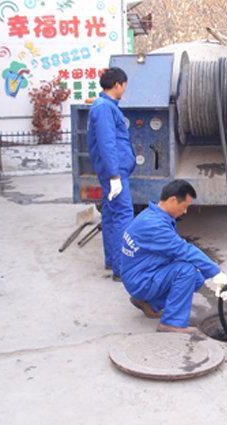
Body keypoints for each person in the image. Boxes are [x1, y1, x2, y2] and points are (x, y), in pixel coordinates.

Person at [120, 179, 227, 334]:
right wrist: (217, 274)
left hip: (137, 273)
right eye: (185, 206)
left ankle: (148, 303)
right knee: (187, 271)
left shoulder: (152, 214)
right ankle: (172, 324)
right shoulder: (155, 226)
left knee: (196, 278)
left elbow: (176, 250)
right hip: (140, 280)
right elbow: (184, 250)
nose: (185, 212)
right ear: (172, 200)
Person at [87, 67, 136, 280]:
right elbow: (107, 144)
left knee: (109, 214)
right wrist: (115, 175)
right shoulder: (104, 108)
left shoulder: (104, 106)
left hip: (115, 172)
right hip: (115, 174)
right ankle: (121, 268)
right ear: (117, 85)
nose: (125, 89)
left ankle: (111, 260)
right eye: (124, 85)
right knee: (123, 215)